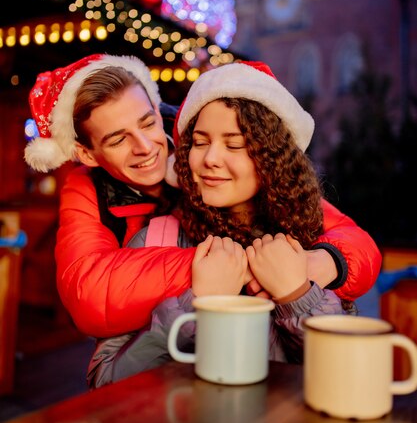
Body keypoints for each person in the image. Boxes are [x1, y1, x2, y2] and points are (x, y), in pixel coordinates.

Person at [24, 54, 381, 344]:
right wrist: (215, 267)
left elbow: (349, 239)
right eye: (118, 140)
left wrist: (323, 262)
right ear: (87, 154)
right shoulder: (87, 188)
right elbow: (88, 293)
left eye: (149, 123)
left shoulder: (206, 152)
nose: (146, 147)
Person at [87, 61, 351, 387]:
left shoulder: (309, 246)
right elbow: (104, 383)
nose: (210, 158)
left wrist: (297, 296)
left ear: (272, 159)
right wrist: (193, 307)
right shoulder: (155, 240)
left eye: (234, 143)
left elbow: (345, 379)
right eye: (199, 142)